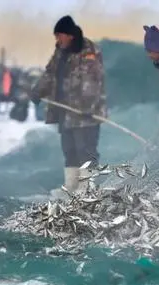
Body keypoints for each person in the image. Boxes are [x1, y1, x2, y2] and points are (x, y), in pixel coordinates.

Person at [30, 15, 106, 194]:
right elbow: (50, 74)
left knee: (85, 150)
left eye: (59, 36)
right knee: (69, 150)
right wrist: (37, 91)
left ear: (69, 35)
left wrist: (87, 106)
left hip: (85, 113)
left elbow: (93, 80)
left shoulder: (89, 50)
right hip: (64, 112)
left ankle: (87, 190)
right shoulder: (60, 51)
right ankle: (71, 187)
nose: (57, 40)